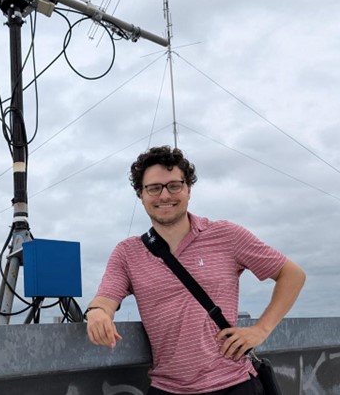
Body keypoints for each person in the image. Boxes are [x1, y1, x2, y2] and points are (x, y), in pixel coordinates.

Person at [85, 145, 305, 395]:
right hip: (167, 388)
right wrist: (97, 313)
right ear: (141, 194)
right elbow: (105, 299)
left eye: (174, 185)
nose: (165, 196)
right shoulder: (128, 252)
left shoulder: (226, 235)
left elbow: (292, 274)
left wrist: (260, 330)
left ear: (188, 189)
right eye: (154, 188)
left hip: (234, 384)